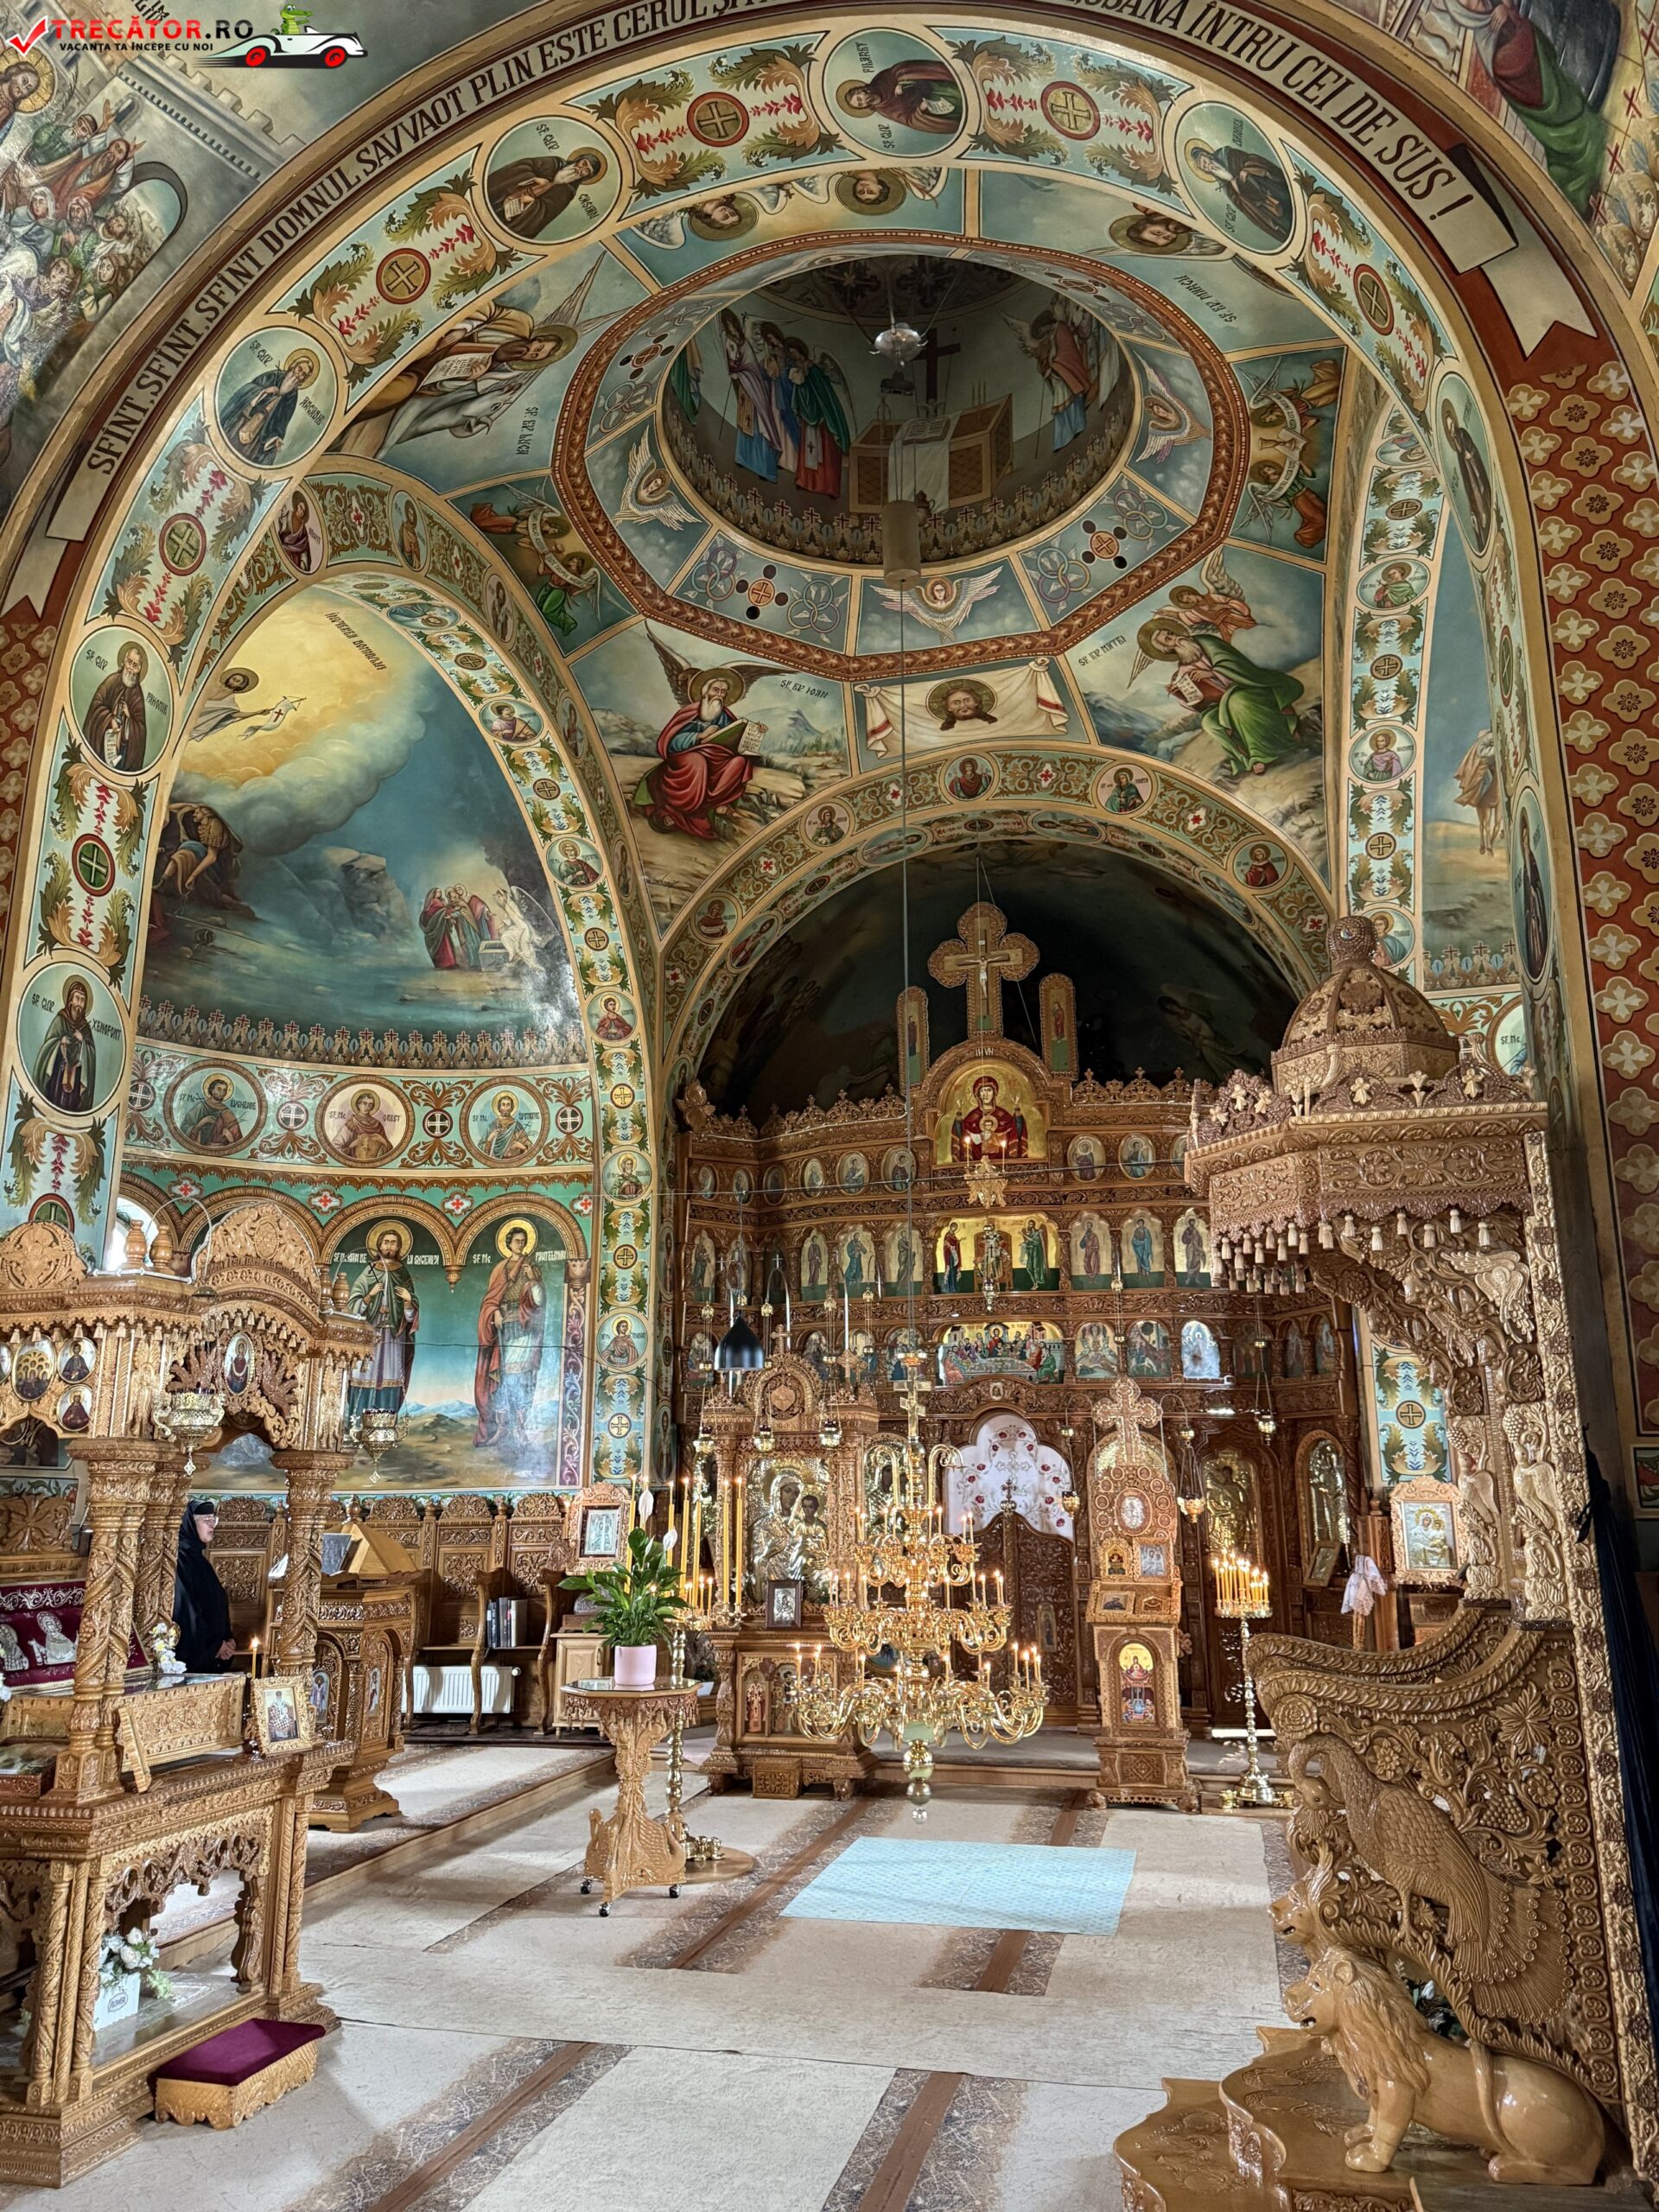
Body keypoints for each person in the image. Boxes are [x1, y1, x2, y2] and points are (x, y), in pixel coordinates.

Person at [219, 347, 319, 465]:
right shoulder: (274, 375)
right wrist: (266, 391)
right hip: (245, 419)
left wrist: (277, 437)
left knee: (244, 458)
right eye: (299, 369)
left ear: (304, 379)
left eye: (303, 375)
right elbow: (250, 388)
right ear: (293, 366)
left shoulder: (293, 396)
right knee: (227, 444)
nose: (298, 374)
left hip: (261, 433)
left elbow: (283, 421)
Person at [175, 1500, 236, 1673]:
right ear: (189, 1524)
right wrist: (215, 1646)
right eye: (205, 1520)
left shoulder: (199, 1559)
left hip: (215, 1652)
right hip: (193, 1659)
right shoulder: (180, 1560)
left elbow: (217, 1602)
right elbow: (187, 1612)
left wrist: (228, 1639)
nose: (212, 1524)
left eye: (213, 1519)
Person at [31, 974, 96, 1112]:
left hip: (77, 1076)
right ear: (70, 1000)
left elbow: (91, 1054)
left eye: (82, 1000)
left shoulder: (86, 1029)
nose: (79, 1003)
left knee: (71, 1106)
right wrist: (60, 1042)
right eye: (77, 998)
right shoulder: (60, 1020)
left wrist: (82, 1041)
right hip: (58, 1072)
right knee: (55, 1099)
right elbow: (48, 1044)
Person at [84, 639, 149, 770]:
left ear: (139, 669)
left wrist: (128, 718)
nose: (130, 668)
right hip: (102, 743)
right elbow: (96, 705)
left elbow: (140, 730)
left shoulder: (138, 695)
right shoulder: (111, 681)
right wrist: (110, 719)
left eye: (135, 665)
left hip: (122, 753)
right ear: (124, 661)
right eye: (129, 662)